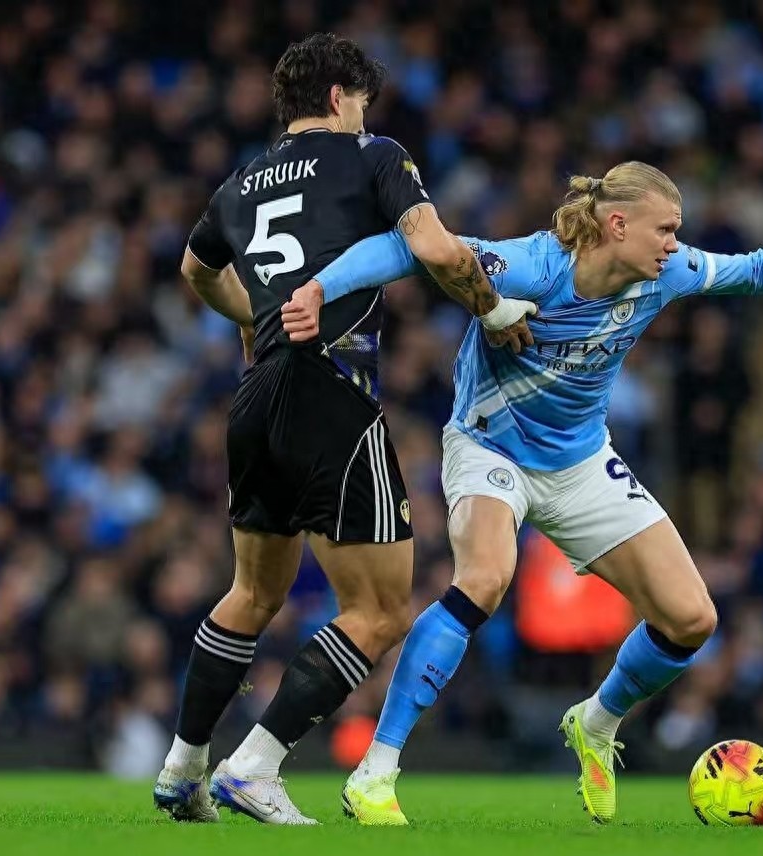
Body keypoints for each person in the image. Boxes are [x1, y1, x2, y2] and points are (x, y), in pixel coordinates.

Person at [290, 161, 763, 825]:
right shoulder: (532, 266)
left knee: (692, 618)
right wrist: (322, 287)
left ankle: (597, 720)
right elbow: (405, 247)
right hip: (490, 448)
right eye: (665, 229)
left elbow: (753, 269)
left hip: (582, 462)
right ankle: (376, 772)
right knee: (486, 578)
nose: (675, 244)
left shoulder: (665, 274)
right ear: (616, 224)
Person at [152, 33, 535, 826]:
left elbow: (193, 270)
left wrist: (254, 323)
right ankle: (254, 765)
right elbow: (433, 247)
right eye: (361, 100)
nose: (365, 114)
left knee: (253, 592)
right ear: (339, 97)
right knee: (384, 608)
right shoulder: (373, 154)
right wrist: (493, 310)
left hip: (256, 394)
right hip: (333, 390)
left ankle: (182, 767)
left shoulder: (241, 182)